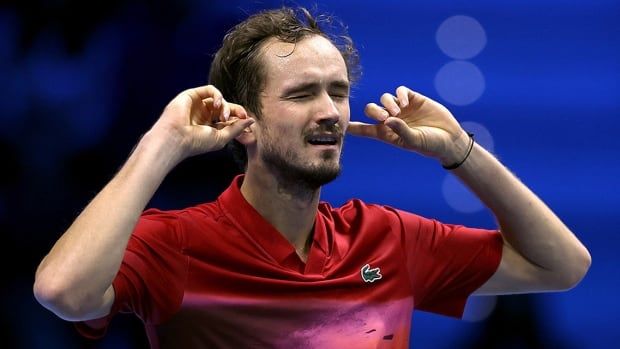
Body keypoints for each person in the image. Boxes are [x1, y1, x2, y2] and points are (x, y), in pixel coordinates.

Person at [33, 7, 591, 349]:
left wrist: (460, 152)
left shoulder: (388, 239)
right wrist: (161, 144)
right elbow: (64, 291)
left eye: (339, 92)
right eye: (302, 94)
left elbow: (561, 265)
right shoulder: (175, 242)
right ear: (242, 121)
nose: (330, 111)